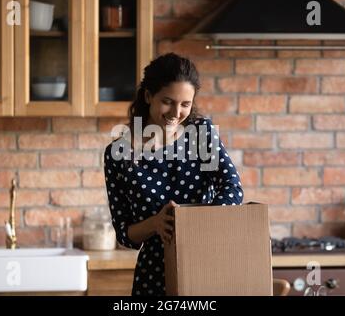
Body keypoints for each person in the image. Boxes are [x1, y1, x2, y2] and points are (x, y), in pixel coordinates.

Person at [103, 53, 243, 296]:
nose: (176, 112)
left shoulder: (201, 134)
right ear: (148, 96)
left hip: (207, 266)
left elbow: (232, 188)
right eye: (167, 101)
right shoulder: (119, 154)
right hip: (154, 276)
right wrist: (156, 223)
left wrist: (199, 223)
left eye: (185, 104)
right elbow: (125, 234)